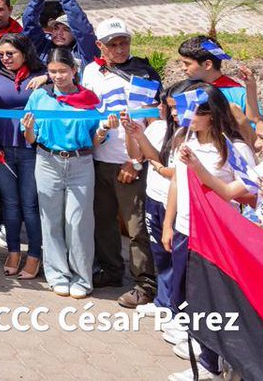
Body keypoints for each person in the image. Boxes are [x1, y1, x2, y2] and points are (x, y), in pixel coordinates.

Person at [162, 85, 254, 381]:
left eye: (192, 111)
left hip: (216, 237)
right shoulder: (183, 138)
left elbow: (246, 193)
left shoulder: (234, 149)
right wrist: (169, 221)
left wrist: (199, 167)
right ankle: (201, 346)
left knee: (211, 300)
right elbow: (178, 182)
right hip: (184, 230)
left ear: (211, 116)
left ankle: (210, 363)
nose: (184, 116)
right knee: (182, 294)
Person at [80, 18, 160, 308]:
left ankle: (145, 283)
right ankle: (112, 271)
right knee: (103, 222)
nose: (119, 48)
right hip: (98, 159)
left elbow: (154, 123)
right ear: (100, 46)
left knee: (137, 227)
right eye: (112, 44)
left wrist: (136, 161)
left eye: (123, 42)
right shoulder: (90, 71)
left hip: (131, 163)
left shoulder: (145, 74)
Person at [24, 48, 108, 299]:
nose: (58, 76)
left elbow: (95, 140)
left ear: (74, 70)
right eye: (52, 72)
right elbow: (30, 137)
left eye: (62, 71)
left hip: (80, 163)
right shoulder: (40, 97)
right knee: (51, 220)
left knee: (79, 222)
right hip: (48, 160)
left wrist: (102, 132)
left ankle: (82, 277)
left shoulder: (89, 100)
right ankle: (57, 274)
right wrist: (28, 128)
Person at [0, 33, 47, 280]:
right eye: (2, 54)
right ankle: (13, 251)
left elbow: (68, 77)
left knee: (30, 205)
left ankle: (34, 255)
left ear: (24, 52)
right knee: (9, 203)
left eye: (11, 53)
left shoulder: (39, 76)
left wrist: (47, 77)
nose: (5, 58)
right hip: (2, 150)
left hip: (31, 149)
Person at [122, 81, 190, 316]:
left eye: (174, 106)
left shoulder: (188, 134)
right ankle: (163, 301)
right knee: (160, 252)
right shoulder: (159, 128)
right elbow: (139, 156)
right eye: (167, 105)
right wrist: (135, 135)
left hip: (176, 202)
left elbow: (177, 171)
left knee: (177, 257)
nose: (169, 111)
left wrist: (160, 169)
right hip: (154, 197)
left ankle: (177, 308)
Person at [177, 36, 259, 142]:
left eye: (187, 63)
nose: (182, 68)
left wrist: (251, 87)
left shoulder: (239, 94)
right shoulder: (184, 90)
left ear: (207, 64)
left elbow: (254, 127)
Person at [22, 0, 98, 66]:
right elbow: (29, 22)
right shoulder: (42, 46)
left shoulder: (84, 52)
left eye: (66, 29)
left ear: (75, 35)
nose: (59, 33)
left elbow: (83, 31)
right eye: (56, 28)